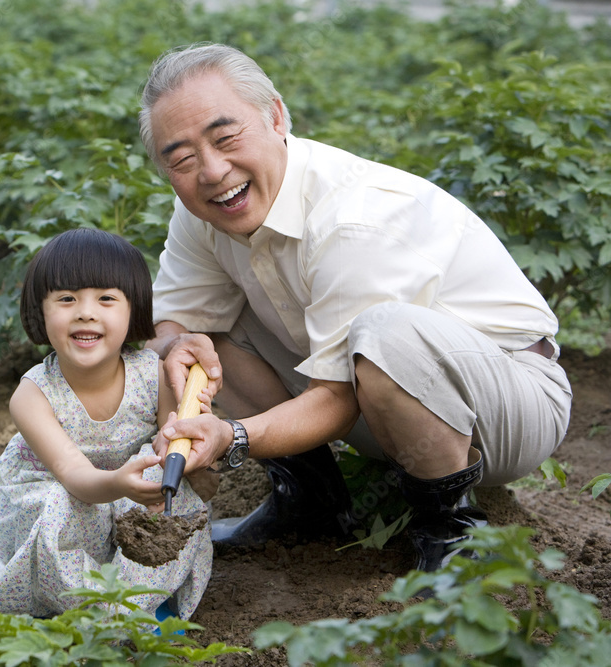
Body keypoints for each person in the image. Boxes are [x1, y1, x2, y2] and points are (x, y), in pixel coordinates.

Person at [138, 43, 573, 572]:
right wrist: (176, 345)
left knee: (385, 333)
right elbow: (172, 325)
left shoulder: (353, 218)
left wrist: (234, 438)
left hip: (503, 406)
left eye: (226, 138)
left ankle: (452, 536)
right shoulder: (206, 211)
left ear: (275, 116)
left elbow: (338, 398)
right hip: (380, 402)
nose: (211, 171)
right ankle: (311, 502)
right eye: (182, 160)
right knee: (208, 337)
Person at [0, 227, 216, 619]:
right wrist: (117, 485)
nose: (85, 311)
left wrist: (185, 454)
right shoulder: (33, 395)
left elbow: (174, 446)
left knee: (176, 497)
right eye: (66, 299)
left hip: (130, 502)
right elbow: (74, 474)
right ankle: (81, 606)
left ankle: (139, 599)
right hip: (70, 500)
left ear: (134, 311)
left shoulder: (155, 373)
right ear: (40, 311)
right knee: (56, 506)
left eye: (107, 299)